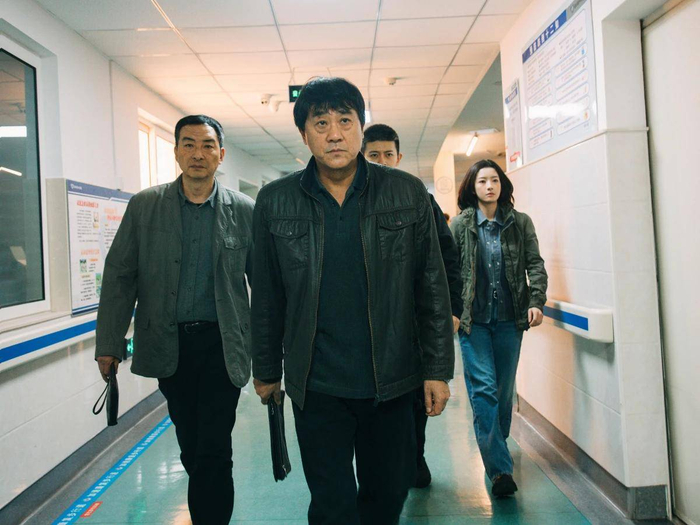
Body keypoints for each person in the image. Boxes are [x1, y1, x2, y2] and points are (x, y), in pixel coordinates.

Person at [251, 77, 454, 524]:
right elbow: (266, 295)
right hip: (316, 384)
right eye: (320, 123)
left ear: (361, 127)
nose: (335, 134)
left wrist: (437, 369)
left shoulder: (405, 193)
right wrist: (265, 370)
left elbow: (432, 288)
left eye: (345, 121)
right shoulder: (275, 201)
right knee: (332, 504)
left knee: (387, 497)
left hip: (392, 380)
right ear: (304, 134)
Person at [95, 115, 254, 525]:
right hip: (170, 346)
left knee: (214, 449)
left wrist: (273, 354)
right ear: (177, 152)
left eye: (207, 145)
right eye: (189, 144)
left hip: (223, 347)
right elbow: (120, 276)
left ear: (221, 154)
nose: (198, 154)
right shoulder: (145, 206)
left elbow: (266, 285)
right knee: (191, 445)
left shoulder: (244, 210)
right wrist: (109, 344)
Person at [362, 123, 463, 488]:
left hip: (412, 324)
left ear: (399, 157)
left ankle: (414, 455)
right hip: (369, 325)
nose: (381, 161)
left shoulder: (418, 198)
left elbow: (446, 258)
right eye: (373, 154)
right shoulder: (351, 201)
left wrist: (453, 310)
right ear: (361, 156)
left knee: (415, 399)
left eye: (388, 154)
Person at [450, 159, 548, 497]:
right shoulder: (461, 225)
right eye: (482, 181)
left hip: (509, 320)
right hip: (473, 323)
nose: (489, 186)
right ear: (472, 187)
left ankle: (496, 446)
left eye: (494, 180)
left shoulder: (520, 223)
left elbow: (535, 264)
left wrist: (536, 300)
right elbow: (450, 272)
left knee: (504, 394)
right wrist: (453, 311)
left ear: (502, 184)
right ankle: (500, 471)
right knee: (484, 391)